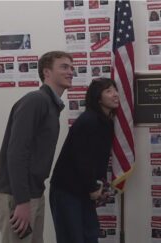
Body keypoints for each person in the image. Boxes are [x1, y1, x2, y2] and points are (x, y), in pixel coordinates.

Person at [0, 51, 73, 243]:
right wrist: (21, 201)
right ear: (47, 72)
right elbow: (17, 152)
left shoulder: (52, 105)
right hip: (16, 194)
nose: (71, 71)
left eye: (71, 67)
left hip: (33, 192)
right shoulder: (36, 100)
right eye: (64, 67)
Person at [49, 78, 120, 243]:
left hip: (84, 190)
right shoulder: (89, 121)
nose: (115, 94)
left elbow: (99, 159)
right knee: (72, 238)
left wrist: (100, 184)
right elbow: (83, 159)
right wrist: (92, 186)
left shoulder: (106, 122)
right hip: (67, 190)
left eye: (115, 90)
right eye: (109, 91)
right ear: (98, 97)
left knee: (89, 236)